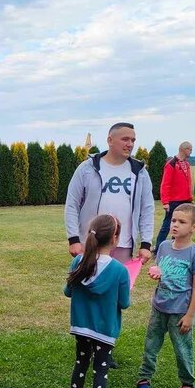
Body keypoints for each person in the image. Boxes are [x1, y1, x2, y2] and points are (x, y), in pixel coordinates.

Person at [65, 122, 153, 367]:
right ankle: (85, 342)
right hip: (91, 244)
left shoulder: (139, 172)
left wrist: (146, 243)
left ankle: (106, 346)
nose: (130, 144)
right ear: (110, 140)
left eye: (133, 139)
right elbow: (72, 203)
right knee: (88, 292)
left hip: (123, 245)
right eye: (125, 139)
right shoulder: (87, 168)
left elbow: (147, 208)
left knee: (113, 297)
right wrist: (74, 239)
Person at [63, 215, 130, 388]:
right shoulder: (120, 271)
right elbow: (124, 303)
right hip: (105, 329)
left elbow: (68, 292)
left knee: (81, 363)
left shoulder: (78, 262)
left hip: (81, 326)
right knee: (101, 370)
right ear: (114, 238)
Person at [137, 203, 195, 388]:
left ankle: (187, 384)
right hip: (159, 307)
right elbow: (161, 270)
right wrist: (156, 273)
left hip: (180, 311)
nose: (175, 225)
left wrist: (189, 315)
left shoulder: (194, 253)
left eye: (182, 222)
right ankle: (144, 378)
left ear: (194, 228)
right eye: (173, 220)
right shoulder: (163, 246)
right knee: (151, 344)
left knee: (183, 349)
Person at [153, 141, 194, 254]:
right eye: (190, 149)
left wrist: (190, 197)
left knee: (181, 225)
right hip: (174, 201)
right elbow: (165, 184)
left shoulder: (186, 164)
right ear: (183, 149)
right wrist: (165, 202)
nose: (191, 152)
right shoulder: (171, 164)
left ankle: (175, 247)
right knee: (167, 225)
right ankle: (158, 249)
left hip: (185, 200)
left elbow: (188, 182)